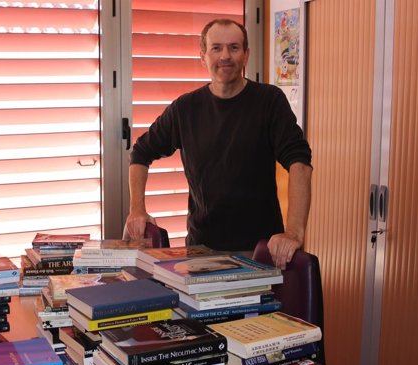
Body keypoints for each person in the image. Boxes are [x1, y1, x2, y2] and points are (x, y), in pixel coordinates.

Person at [124, 18, 312, 269]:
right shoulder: (185, 108)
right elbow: (140, 152)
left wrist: (294, 232)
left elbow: (300, 162)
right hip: (201, 250)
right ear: (203, 56)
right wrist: (137, 209)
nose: (225, 56)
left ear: (246, 55)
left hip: (259, 251)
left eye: (234, 48)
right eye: (216, 48)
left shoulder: (270, 102)